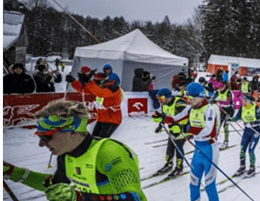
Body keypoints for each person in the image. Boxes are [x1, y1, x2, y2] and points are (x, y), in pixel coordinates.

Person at [2, 99, 147, 201]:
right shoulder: (66, 154)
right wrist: (13, 173)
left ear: (72, 132)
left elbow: (135, 197)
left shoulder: (109, 153)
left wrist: (81, 198)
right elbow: (56, 187)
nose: (41, 144)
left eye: (46, 137)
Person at [168, 82, 220, 201]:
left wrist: (187, 129)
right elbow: (177, 118)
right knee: (193, 183)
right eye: (187, 97)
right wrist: (165, 118)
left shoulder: (209, 109)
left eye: (191, 97)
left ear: (200, 96)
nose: (189, 100)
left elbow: (208, 130)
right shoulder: (191, 108)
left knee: (209, 185)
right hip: (198, 149)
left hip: (210, 150)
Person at [67, 72, 123, 138]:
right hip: (101, 118)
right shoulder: (101, 87)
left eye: (97, 84)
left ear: (103, 82)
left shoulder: (114, 88)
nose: (96, 86)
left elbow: (101, 93)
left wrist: (89, 82)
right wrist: (73, 81)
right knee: (93, 139)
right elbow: (84, 90)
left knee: (101, 140)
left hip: (112, 120)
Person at [152, 88, 190, 178]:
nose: (159, 100)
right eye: (158, 98)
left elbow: (184, 117)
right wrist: (160, 125)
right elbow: (165, 116)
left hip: (183, 129)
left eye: (161, 98)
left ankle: (179, 168)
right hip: (173, 129)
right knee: (170, 147)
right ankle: (168, 165)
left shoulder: (179, 103)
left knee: (178, 147)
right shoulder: (164, 104)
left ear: (167, 97)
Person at [231, 95, 260, 177]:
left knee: (251, 150)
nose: (243, 102)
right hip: (247, 131)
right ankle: (242, 166)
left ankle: (252, 168)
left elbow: (259, 120)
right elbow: (237, 117)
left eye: (245, 101)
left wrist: (253, 123)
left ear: (249, 101)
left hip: (255, 131)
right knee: (242, 149)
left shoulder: (255, 107)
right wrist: (231, 119)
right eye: (242, 101)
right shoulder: (242, 108)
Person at [215, 82, 235, 149]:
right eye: (219, 88)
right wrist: (211, 100)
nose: (220, 89)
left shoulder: (228, 92)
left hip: (229, 111)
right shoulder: (218, 92)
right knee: (218, 125)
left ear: (224, 87)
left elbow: (228, 102)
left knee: (225, 126)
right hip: (223, 110)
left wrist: (218, 101)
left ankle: (226, 142)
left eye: (221, 88)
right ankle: (214, 140)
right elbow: (212, 96)